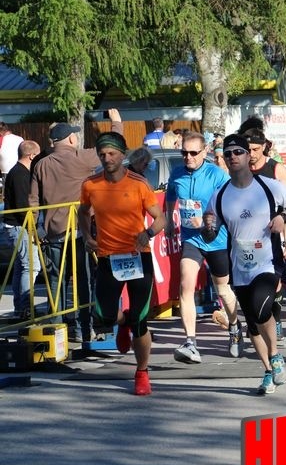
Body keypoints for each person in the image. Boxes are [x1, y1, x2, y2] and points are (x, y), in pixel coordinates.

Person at [204, 134, 286, 395]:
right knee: (252, 324)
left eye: (238, 152)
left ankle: (276, 356)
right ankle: (269, 370)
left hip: (268, 263)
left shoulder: (268, 186)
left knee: (261, 309)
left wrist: (283, 216)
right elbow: (210, 232)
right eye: (228, 154)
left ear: (248, 155)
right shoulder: (220, 195)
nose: (233, 157)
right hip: (240, 267)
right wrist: (207, 227)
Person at [78, 132, 166, 395]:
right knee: (103, 316)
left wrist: (148, 233)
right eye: (102, 154)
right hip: (108, 258)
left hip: (138, 256)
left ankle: (142, 372)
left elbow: (161, 218)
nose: (107, 159)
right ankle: (123, 320)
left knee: (141, 321)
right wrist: (88, 236)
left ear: (123, 155)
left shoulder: (138, 183)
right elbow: (83, 211)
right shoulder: (90, 185)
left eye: (112, 154)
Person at [30, 110, 123, 343]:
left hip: (52, 233)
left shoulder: (41, 164)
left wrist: (34, 230)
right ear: (71, 139)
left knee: (56, 282)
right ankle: (84, 330)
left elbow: (33, 201)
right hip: (79, 232)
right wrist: (116, 123)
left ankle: (55, 330)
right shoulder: (81, 158)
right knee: (83, 282)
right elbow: (112, 148)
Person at [166, 132, 241, 363]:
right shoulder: (177, 173)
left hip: (216, 240)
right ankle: (190, 342)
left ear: (205, 151)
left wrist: (209, 219)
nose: (188, 157)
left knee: (223, 290)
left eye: (193, 153)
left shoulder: (216, 175)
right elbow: (170, 197)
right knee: (185, 286)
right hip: (191, 239)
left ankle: (235, 327)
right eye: (184, 153)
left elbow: (230, 205)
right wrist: (169, 222)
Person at [242, 128, 286, 341]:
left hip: (272, 233)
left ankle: (276, 318)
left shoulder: (276, 169)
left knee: (274, 280)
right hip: (246, 234)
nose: (251, 154)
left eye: (255, 149)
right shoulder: (241, 169)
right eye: (248, 150)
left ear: (264, 147)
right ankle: (255, 320)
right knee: (248, 280)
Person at [4, 140, 42, 320]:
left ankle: (20, 307)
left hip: (16, 225)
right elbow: (22, 206)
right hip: (20, 226)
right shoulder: (20, 174)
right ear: (32, 156)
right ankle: (26, 308)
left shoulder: (17, 172)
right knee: (31, 266)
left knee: (22, 266)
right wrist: (33, 229)